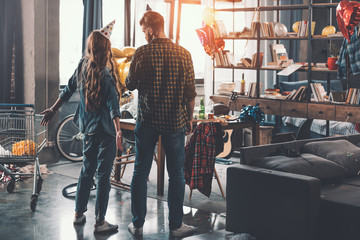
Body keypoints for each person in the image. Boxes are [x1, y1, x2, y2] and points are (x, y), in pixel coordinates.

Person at [40, 20, 123, 234]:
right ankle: (100, 222)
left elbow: (67, 91)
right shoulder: (106, 74)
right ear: (107, 48)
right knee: (103, 176)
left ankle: (78, 215)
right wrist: (119, 131)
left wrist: (52, 109)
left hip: (88, 129)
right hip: (106, 131)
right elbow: (114, 106)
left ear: (90, 46)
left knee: (86, 171)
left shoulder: (82, 66)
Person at [125, 10, 197, 238]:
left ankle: (137, 224)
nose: (144, 35)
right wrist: (190, 118)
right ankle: (176, 226)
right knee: (176, 174)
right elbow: (190, 93)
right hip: (175, 121)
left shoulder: (142, 53)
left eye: (144, 30)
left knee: (140, 170)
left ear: (151, 28)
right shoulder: (184, 54)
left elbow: (130, 84)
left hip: (147, 121)